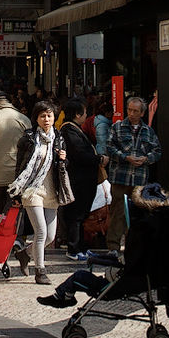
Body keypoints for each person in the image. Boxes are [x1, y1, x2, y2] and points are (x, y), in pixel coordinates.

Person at [8, 101, 69, 285]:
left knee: (50, 236)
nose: (47, 119)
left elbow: (64, 167)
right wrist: (17, 193)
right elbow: (20, 166)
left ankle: (25, 254)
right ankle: (40, 271)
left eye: (50, 116)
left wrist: (63, 160)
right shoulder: (28, 138)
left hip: (51, 189)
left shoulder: (58, 138)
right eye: (43, 116)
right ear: (36, 118)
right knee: (41, 231)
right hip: (32, 189)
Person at [105, 96, 162, 254]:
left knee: (137, 213)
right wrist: (125, 157)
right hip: (120, 176)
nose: (131, 113)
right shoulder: (117, 127)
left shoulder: (148, 131)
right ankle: (113, 246)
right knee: (118, 211)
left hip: (139, 178)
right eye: (129, 110)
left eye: (135, 111)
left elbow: (157, 151)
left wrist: (146, 159)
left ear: (142, 113)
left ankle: (134, 245)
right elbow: (109, 147)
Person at [60, 99, 100, 261]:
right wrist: (98, 159)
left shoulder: (76, 129)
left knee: (82, 215)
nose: (86, 116)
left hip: (85, 179)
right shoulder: (69, 131)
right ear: (77, 114)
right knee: (75, 215)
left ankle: (82, 246)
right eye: (84, 113)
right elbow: (80, 154)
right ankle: (74, 247)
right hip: (78, 179)